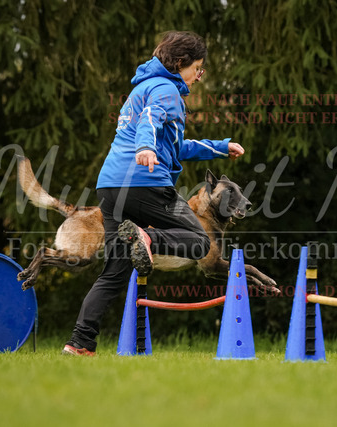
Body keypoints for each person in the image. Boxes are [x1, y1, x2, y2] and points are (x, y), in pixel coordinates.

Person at [63, 31, 244, 356]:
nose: (199, 75)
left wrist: (220, 147)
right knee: (200, 241)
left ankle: (79, 343)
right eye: (197, 68)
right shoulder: (165, 89)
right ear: (180, 63)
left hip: (110, 186)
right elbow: (150, 120)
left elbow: (176, 147)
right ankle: (145, 238)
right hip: (143, 182)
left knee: (115, 271)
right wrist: (145, 147)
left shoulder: (143, 88)